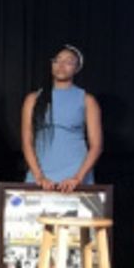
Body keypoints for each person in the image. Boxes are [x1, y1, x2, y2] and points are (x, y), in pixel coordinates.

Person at [21, 44, 102, 191]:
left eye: (68, 62)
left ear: (77, 68)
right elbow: (27, 141)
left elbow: (96, 145)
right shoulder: (33, 99)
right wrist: (39, 176)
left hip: (75, 173)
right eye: (57, 60)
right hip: (40, 173)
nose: (61, 65)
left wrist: (78, 177)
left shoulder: (87, 100)